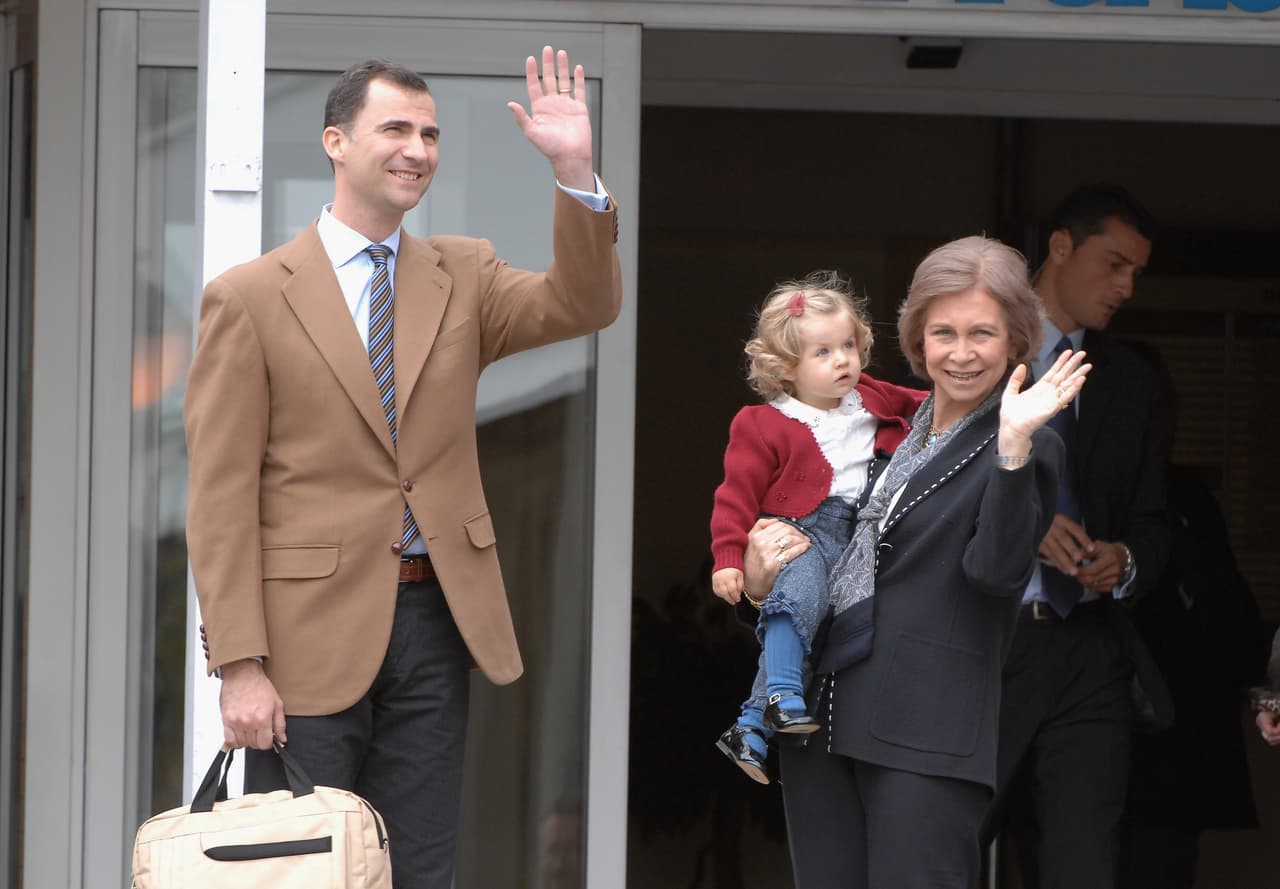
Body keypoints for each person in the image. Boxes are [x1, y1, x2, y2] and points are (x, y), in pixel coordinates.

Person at [184, 49, 622, 889]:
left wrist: (574, 172)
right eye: (395, 129)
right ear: (336, 142)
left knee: (419, 869)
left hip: (434, 621)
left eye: (430, 134)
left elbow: (584, 302)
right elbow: (219, 496)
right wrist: (239, 663)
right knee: (308, 872)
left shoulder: (464, 274)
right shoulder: (250, 297)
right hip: (303, 639)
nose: (417, 149)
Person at [743, 235, 1086, 888]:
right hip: (820, 718)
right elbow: (823, 555)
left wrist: (1013, 447)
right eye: (943, 332)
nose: (961, 352)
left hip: (926, 732)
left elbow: (996, 573)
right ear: (918, 337)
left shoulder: (1026, 446)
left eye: (982, 333)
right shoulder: (876, 426)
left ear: (1016, 339)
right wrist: (760, 587)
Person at [982, 184, 1173, 889]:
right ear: (1061, 246)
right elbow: (915, 493)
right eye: (1114, 264)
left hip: (1091, 646)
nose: (1126, 287)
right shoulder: (972, 347)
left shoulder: (1131, 379)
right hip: (986, 637)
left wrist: (1125, 561)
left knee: (1086, 861)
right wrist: (1020, 520)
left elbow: (1155, 518)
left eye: (1137, 273)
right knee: (942, 844)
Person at [708, 271, 925, 784]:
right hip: (795, 530)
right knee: (802, 595)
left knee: (817, 625)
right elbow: (734, 498)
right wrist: (728, 559)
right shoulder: (761, 423)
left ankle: (750, 727)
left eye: (848, 345)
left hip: (853, 533)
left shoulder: (870, 396)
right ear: (786, 368)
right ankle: (783, 695)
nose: (842, 360)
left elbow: (930, 406)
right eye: (822, 352)